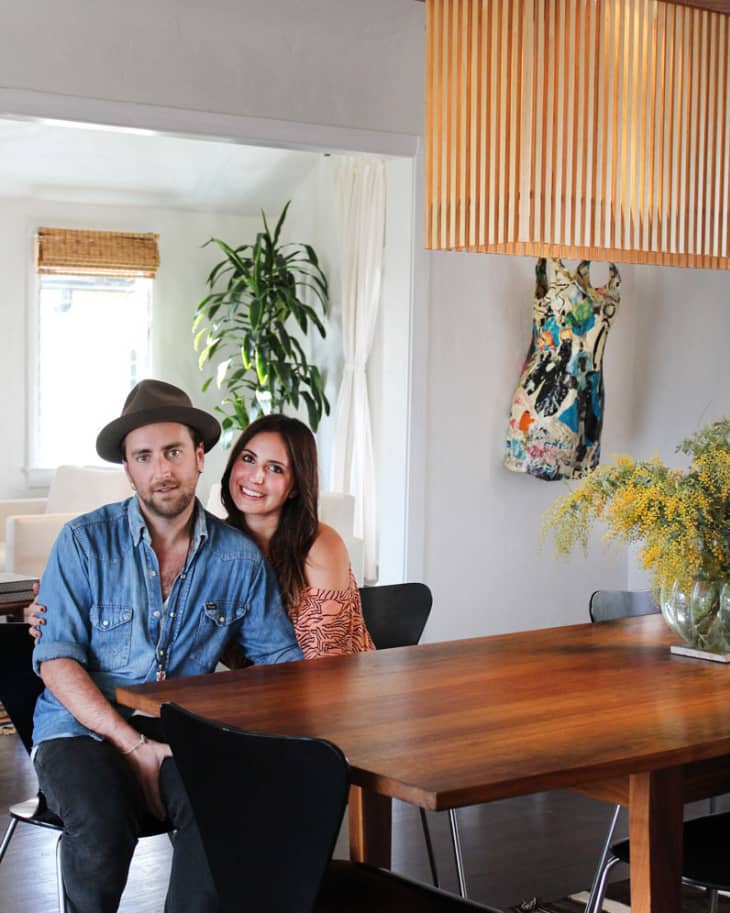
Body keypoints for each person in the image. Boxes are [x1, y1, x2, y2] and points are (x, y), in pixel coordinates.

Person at [30, 379, 303, 913]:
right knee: (103, 826)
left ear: (200, 456)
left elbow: (279, 662)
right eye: (144, 457)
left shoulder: (239, 558)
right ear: (128, 469)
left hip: (181, 728)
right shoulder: (83, 543)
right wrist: (132, 746)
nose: (162, 470)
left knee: (223, 812)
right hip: (80, 728)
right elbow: (56, 659)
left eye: (174, 451)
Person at [219, 414, 374, 659]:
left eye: (274, 468)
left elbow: (325, 666)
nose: (256, 477)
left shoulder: (319, 545)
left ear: (294, 487)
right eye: (248, 459)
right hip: (255, 691)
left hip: (334, 689)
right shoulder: (218, 542)